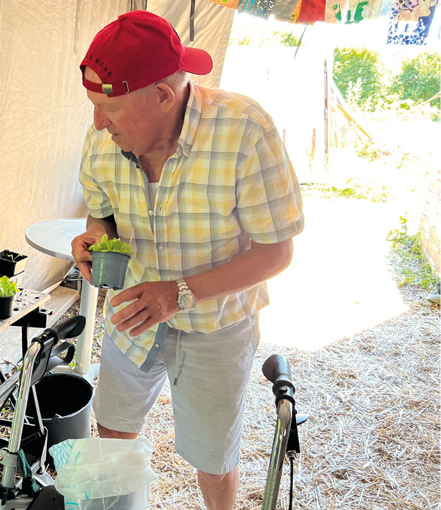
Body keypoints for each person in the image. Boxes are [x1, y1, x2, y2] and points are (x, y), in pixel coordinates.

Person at [70, 10, 304, 510]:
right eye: (93, 106)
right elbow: (101, 215)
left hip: (216, 323)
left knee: (212, 456)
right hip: (132, 317)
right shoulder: (102, 142)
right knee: (112, 429)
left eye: (110, 109)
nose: (97, 122)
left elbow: (276, 251)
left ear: (162, 96)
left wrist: (178, 293)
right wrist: (93, 240)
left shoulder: (245, 132)